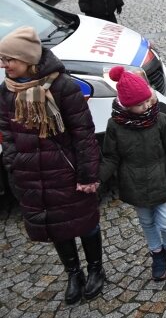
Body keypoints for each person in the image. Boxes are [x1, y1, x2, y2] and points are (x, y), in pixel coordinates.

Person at [0, 26, 103, 304]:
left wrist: (87, 173)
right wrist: (13, 162)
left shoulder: (61, 87)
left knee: (85, 222)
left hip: (65, 171)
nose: (4, 65)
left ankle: (96, 269)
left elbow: (83, 133)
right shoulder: (7, 91)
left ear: (28, 59)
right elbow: (6, 132)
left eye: (10, 59)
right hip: (32, 172)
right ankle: (73, 273)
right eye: (3, 59)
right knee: (56, 225)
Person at [100, 66, 166, 281]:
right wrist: (96, 178)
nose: (147, 105)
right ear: (127, 106)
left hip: (162, 181)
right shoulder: (115, 126)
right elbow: (111, 156)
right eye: (140, 104)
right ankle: (157, 254)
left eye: (148, 100)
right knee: (146, 222)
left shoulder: (160, 120)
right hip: (134, 184)